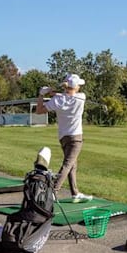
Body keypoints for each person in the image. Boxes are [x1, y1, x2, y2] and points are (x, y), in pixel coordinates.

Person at [37, 74, 92, 202]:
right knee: (68, 164)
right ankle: (53, 191)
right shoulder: (81, 97)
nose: (80, 87)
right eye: (79, 85)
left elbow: (39, 110)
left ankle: (75, 193)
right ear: (76, 87)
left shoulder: (58, 100)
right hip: (76, 137)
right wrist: (54, 93)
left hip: (63, 137)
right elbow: (67, 95)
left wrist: (42, 94)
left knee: (72, 164)